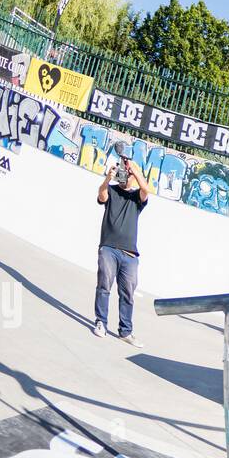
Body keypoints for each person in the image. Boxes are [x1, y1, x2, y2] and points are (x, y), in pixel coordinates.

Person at [93, 141, 151, 346]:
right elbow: (101, 194)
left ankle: (125, 331)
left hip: (130, 255)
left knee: (127, 293)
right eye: (123, 175)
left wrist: (134, 167)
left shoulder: (137, 197)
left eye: (129, 176)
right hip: (108, 248)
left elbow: (147, 190)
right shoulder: (111, 190)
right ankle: (100, 322)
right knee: (104, 285)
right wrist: (108, 177)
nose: (125, 178)